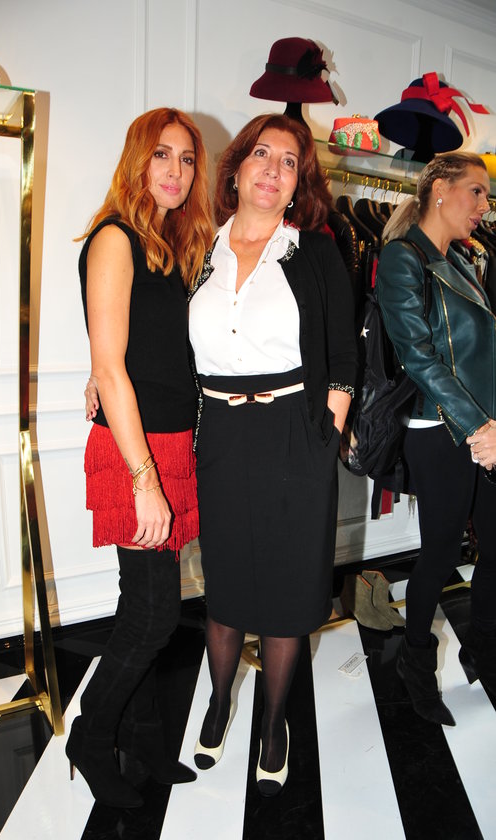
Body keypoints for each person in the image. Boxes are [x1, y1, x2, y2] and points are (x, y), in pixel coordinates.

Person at [187, 113, 357, 796]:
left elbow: (343, 356)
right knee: (226, 585)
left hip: (294, 431)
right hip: (221, 437)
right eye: (262, 153)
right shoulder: (198, 247)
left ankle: (275, 720)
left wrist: (324, 438)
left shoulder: (314, 252)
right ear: (236, 169)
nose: (273, 169)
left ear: (298, 183)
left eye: (290, 162)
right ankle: (220, 700)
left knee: (288, 590)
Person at [67, 107, 213, 808]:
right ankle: (92, 736)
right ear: (136, 160)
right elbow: (112, 366)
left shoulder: (168, 245)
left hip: (170, 443)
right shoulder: (114, 239)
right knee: (153, 615)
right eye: (162, 155)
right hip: (138, 452)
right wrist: (143, 480)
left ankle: (147, 738)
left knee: (149, 605)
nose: (176, 171)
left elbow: (139, 350)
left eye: (187, 158)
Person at [376, 151, 496, 726]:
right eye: (477, 191)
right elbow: (417, 356)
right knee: (442, 552)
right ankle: (416, 663)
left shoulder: (464, 261)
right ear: (440, 190)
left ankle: (484, 648)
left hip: (486, 427)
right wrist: (478, 426)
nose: (484, 206)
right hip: (441, 427)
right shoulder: (403, 257)